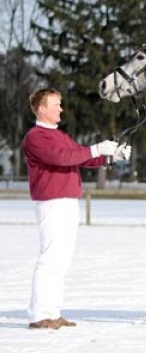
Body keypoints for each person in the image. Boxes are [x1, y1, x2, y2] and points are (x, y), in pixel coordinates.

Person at [22, 87, 131, 330]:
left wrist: (111, 157)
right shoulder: (36, 137)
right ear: (41, 109)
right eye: (55, 104)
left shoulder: (58, 134)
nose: (60, 108)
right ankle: (39, 314)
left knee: (61, 260)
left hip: (67, 202)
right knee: (51, 258)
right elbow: (63, 157)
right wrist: (96, 149)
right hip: (51, 202)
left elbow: (79, 157)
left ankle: (52, 312)